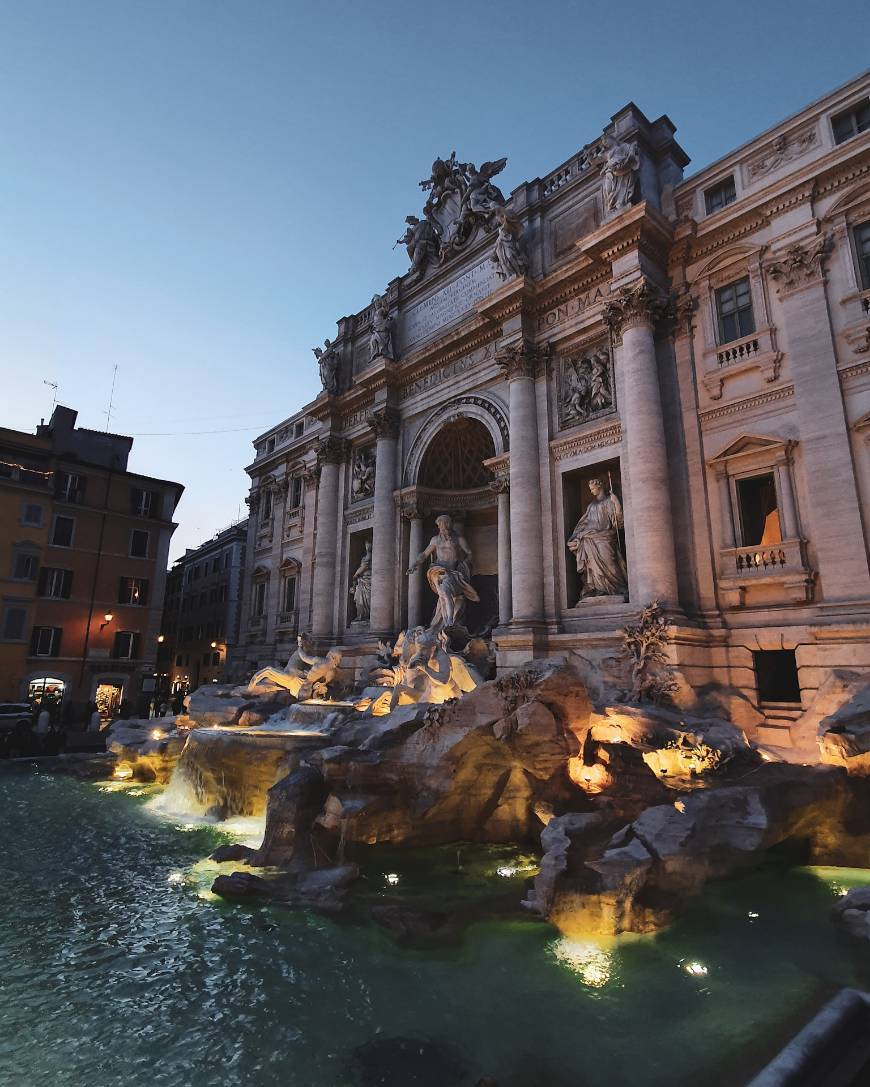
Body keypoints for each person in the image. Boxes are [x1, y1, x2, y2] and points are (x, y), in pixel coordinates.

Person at [407, 514, 479, 632]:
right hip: (438, 569)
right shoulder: (435, 540)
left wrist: (464, 565)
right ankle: (448, 621)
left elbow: (470, 553)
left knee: (443, 595)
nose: (443, 530)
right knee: (444, 593)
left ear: (449, 526)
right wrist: (414, 565)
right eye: (441, 527)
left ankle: (447, 622)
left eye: (445, 527)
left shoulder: (459, 539)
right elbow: (425, 554)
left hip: (453, 571)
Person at [567, 478, 628, 600]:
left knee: (609, 562)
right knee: (591, 566)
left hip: (605, 538)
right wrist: (576, 537)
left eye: (593, 489)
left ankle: (618, 587)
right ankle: (598, 589)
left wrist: (617, 504)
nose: (591, 491)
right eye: (590, 489)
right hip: (589, 538)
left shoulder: (608, 502)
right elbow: (584, 523)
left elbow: (617, 524)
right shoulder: (591, 506)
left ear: (599, 487)